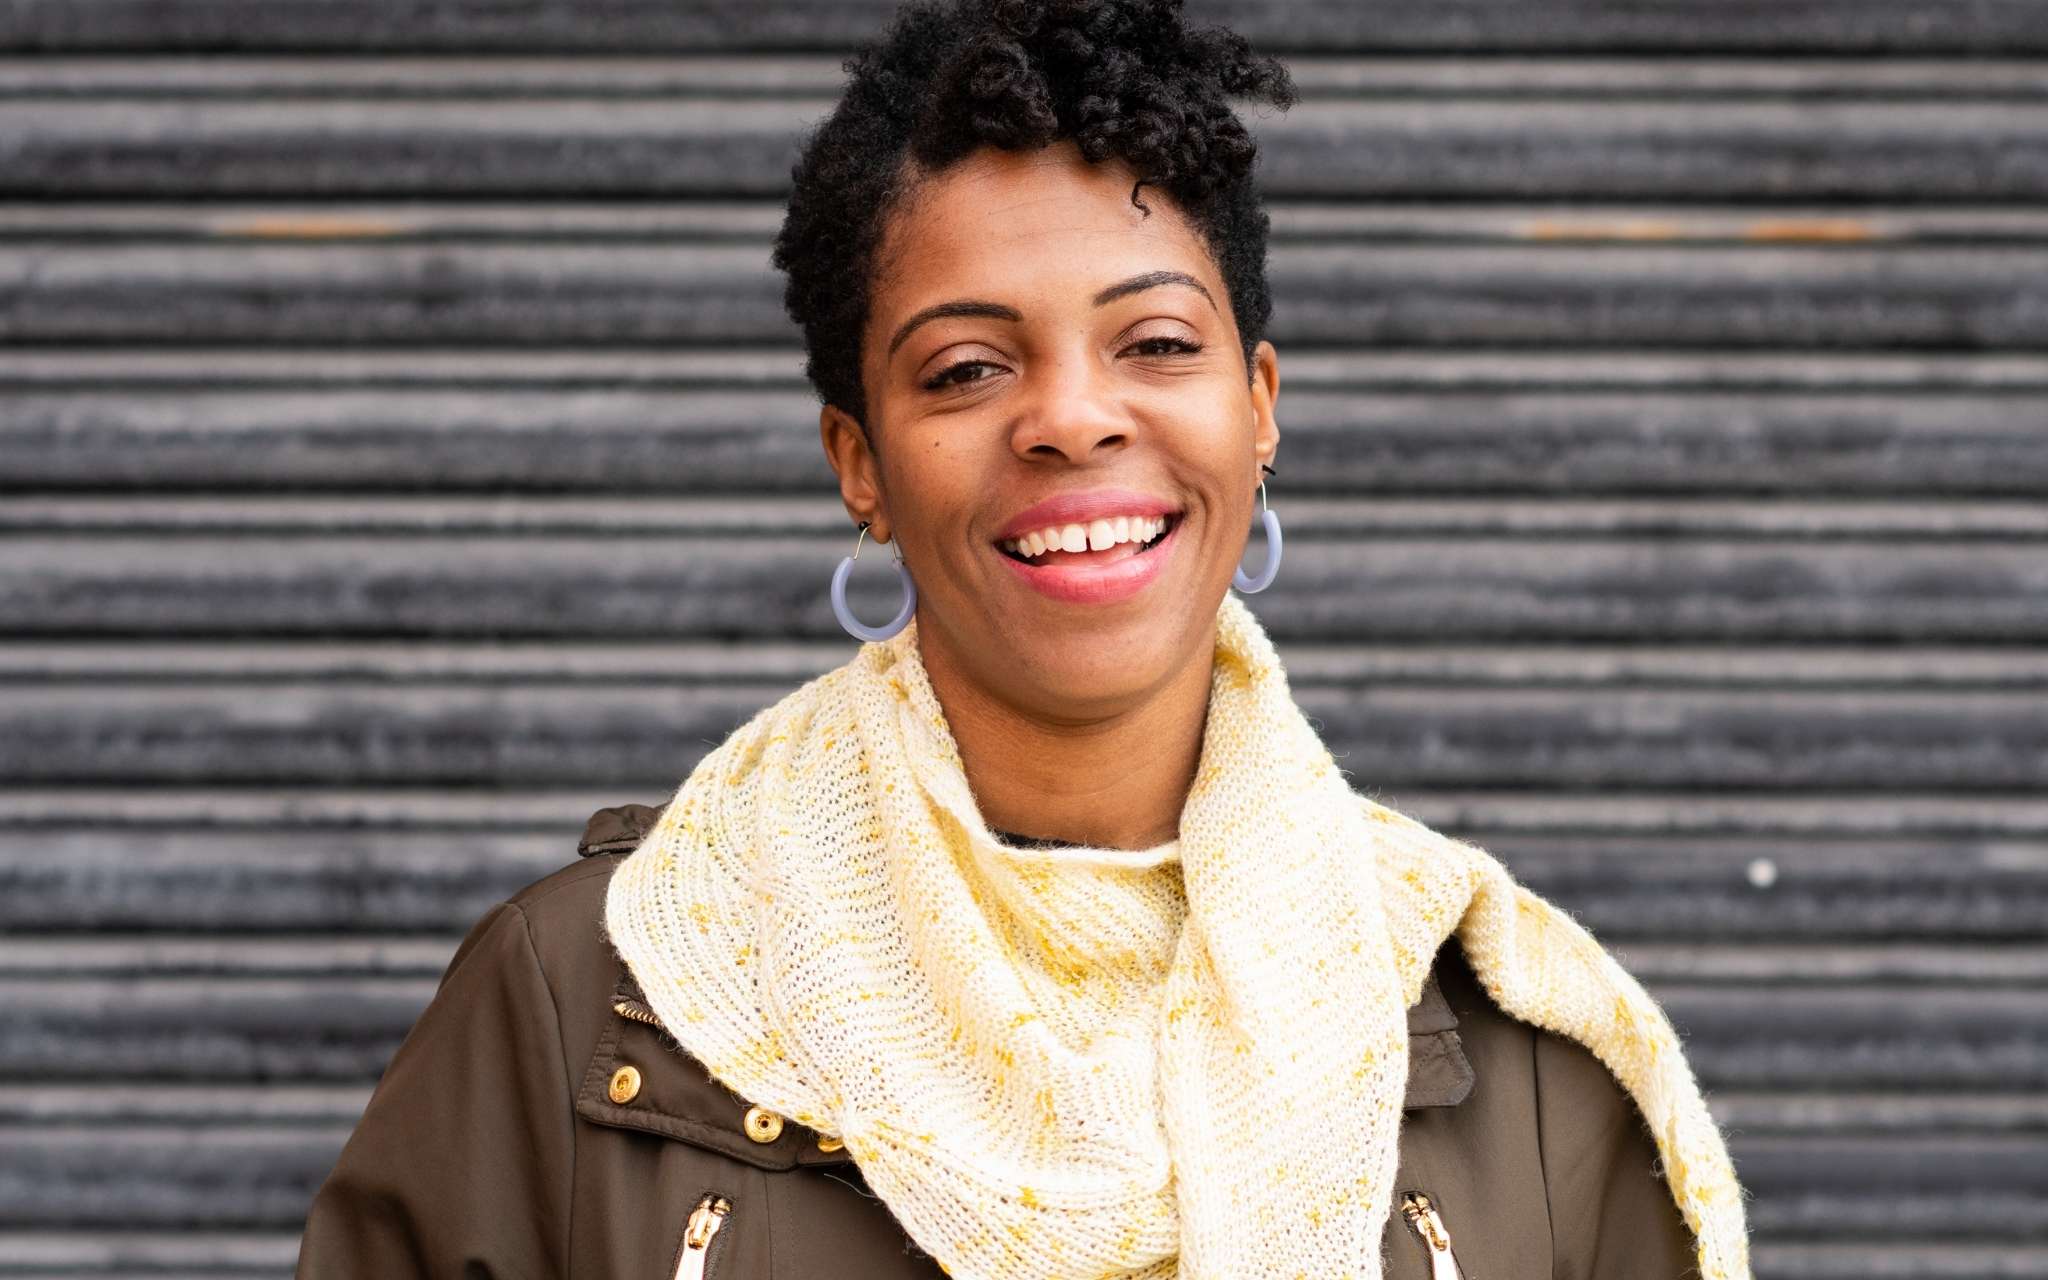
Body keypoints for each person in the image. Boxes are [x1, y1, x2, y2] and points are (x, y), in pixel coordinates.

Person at [295, 0, 1753, 1276]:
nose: (1071, 417)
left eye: (1158, 345)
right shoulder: (580, 1007)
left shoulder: (1518, 1048)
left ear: (1259, 408)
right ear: (859, 461)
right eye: (969, 367)